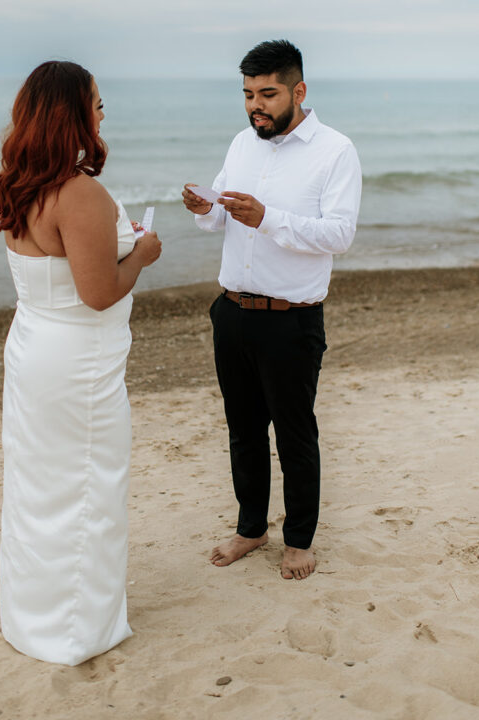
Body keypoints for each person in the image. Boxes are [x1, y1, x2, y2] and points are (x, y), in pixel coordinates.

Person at [0, 60, 161, 665]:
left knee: (39, 488)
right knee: (89, 486)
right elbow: (99, 292)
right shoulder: (78, 191)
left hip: (33, 347)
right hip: (75, 365)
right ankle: (73, 633)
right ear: (72, 111)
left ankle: (30, 620)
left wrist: (115, 247)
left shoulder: (21, 183)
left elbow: (63, 268)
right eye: (97, 99)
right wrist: (141, 254)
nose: (103, 109)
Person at [182, 40, 361, 580]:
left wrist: (269, 218)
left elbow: (340, 234)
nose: (254, 106)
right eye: (247, 94)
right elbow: (223, 220)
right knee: (242, 430)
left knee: (294, 433)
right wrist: (204, 209)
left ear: (298, 91)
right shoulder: (243, 142)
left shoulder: (335, 151)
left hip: (290, 318)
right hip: (231, 311)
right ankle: (251, 528)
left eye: (267, 94)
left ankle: (300, 539)